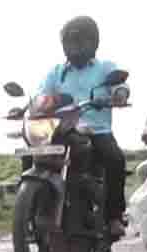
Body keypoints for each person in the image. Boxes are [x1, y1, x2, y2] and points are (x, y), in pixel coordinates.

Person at [35, 16, 127, 237]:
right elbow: (42, 95)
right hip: (61, 129)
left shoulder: (105, 68)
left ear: (93, 42)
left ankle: (114, 217)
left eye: (80, 41)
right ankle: (33, 209)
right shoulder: (56, 72)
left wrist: (119, 94)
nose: (75, 46)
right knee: (32, 152)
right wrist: (38, 104)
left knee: (115, 159)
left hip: (96, 130)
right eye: (70, 41)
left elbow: (121, 87)